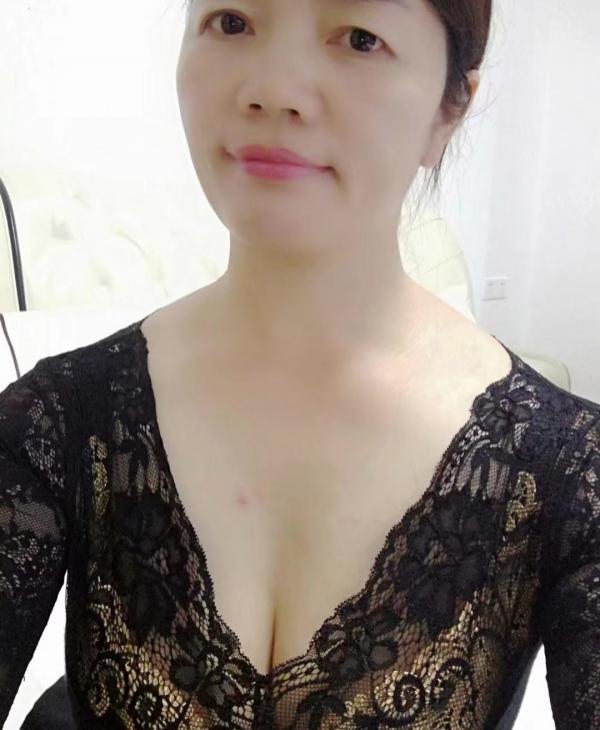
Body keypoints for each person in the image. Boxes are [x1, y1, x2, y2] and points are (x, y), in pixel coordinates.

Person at [2, 0, 599, 727]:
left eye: (360, 38)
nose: (274, 89)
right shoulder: (54, 422)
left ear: (450, 107)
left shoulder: (568, 469)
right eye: (232, 21)